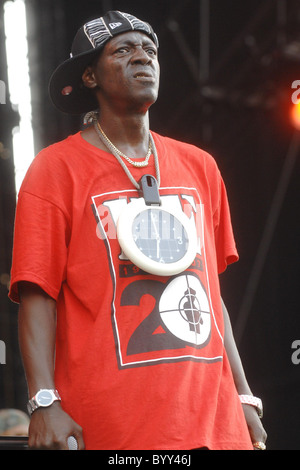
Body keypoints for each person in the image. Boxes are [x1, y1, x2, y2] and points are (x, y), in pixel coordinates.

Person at [8, 10, 267, 450]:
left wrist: (243, 394)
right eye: (122, 50)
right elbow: (37, 293)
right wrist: (44, 401)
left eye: (149, 50)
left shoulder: (200, 166)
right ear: (89, 76)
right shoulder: (55, 169)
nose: (141, 58)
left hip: (213, 422)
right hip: (114, 424)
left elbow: (210, 294)